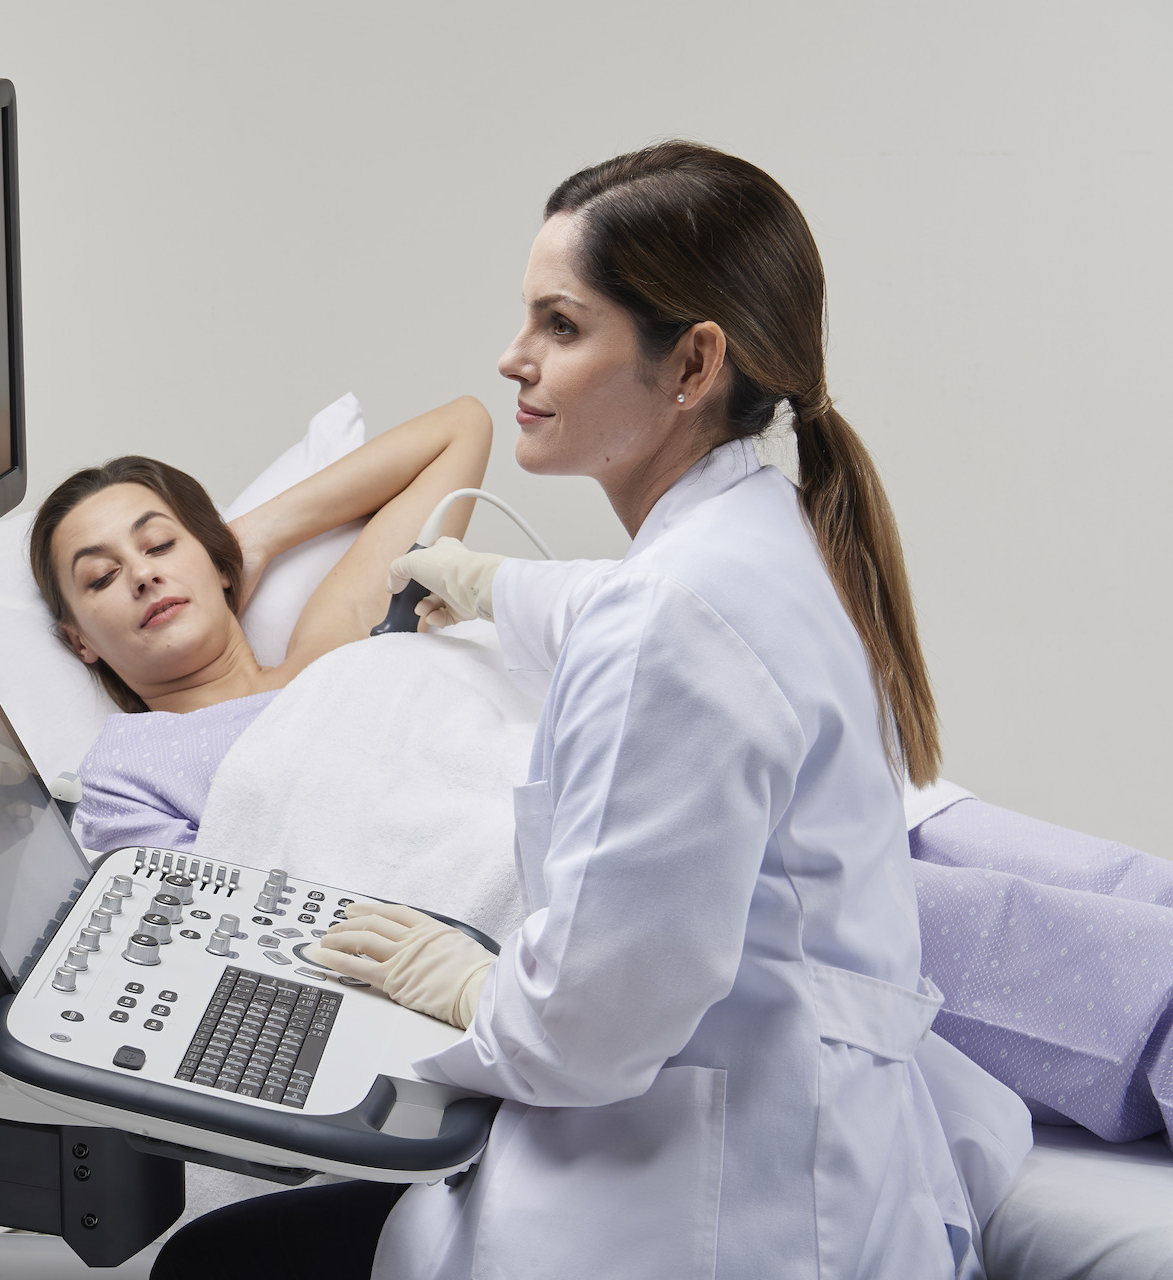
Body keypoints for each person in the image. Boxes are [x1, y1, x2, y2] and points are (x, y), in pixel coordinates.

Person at [154, 142, 1030, 1279]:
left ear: (692, 363)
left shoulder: (675, 619)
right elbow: (613, 608)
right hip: (807, 1151)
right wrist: (480, 583)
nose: (512, 356)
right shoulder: (762, 535)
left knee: (214, 1264)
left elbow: (586, 1030)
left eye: (560, 326)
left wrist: (467, 985)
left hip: (711, 1219)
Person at [28, 397, 490, 854]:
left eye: (161, 544)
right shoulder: (123, 772)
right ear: (80, 641)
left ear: (218, 566)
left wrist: (252, 537)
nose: (143, 574)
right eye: (102, 577)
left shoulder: (334, 649)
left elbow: (462, 427)